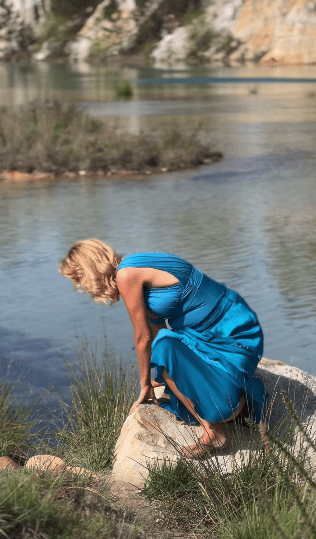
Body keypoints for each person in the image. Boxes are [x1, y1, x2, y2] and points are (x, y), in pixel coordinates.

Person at [59, 239, 265, 458]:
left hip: (228, 332)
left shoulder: (126, 275)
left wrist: (144, 385)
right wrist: (161, 375)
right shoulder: (138, 264)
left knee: (165, 347)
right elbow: (155, 328)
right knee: (165, 350)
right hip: (236, 324)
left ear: (90, 268)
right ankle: (233, 397)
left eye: (78, 278)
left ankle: (213, 432)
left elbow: (143, 338)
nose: (81, 287)